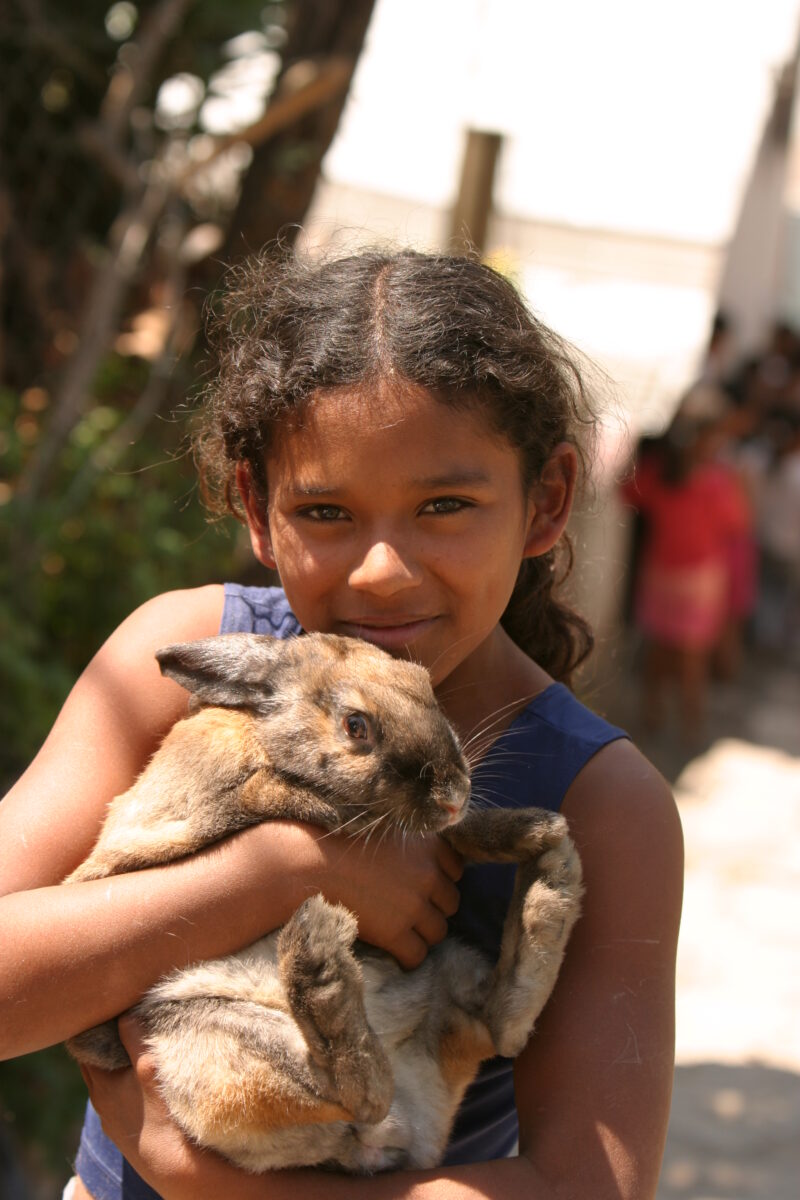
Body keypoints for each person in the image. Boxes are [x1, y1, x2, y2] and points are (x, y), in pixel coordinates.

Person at [0, 247, 683, 1200]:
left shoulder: (601, 804)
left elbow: (591, 1185)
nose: (381, 572)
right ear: (254, 505)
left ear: (548, 500)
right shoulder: (192, 659)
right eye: (324, 510)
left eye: (446, 505)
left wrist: (207, 1183)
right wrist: (283, 873)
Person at [620, 412, 751, 741]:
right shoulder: (717, 481)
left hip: (663, 574)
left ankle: (655, 714)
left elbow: (626, 492)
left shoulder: (661, 475)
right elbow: (737, 523)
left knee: (659, 649)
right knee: (690, 657)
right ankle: (690, 725)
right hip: (698, 580)